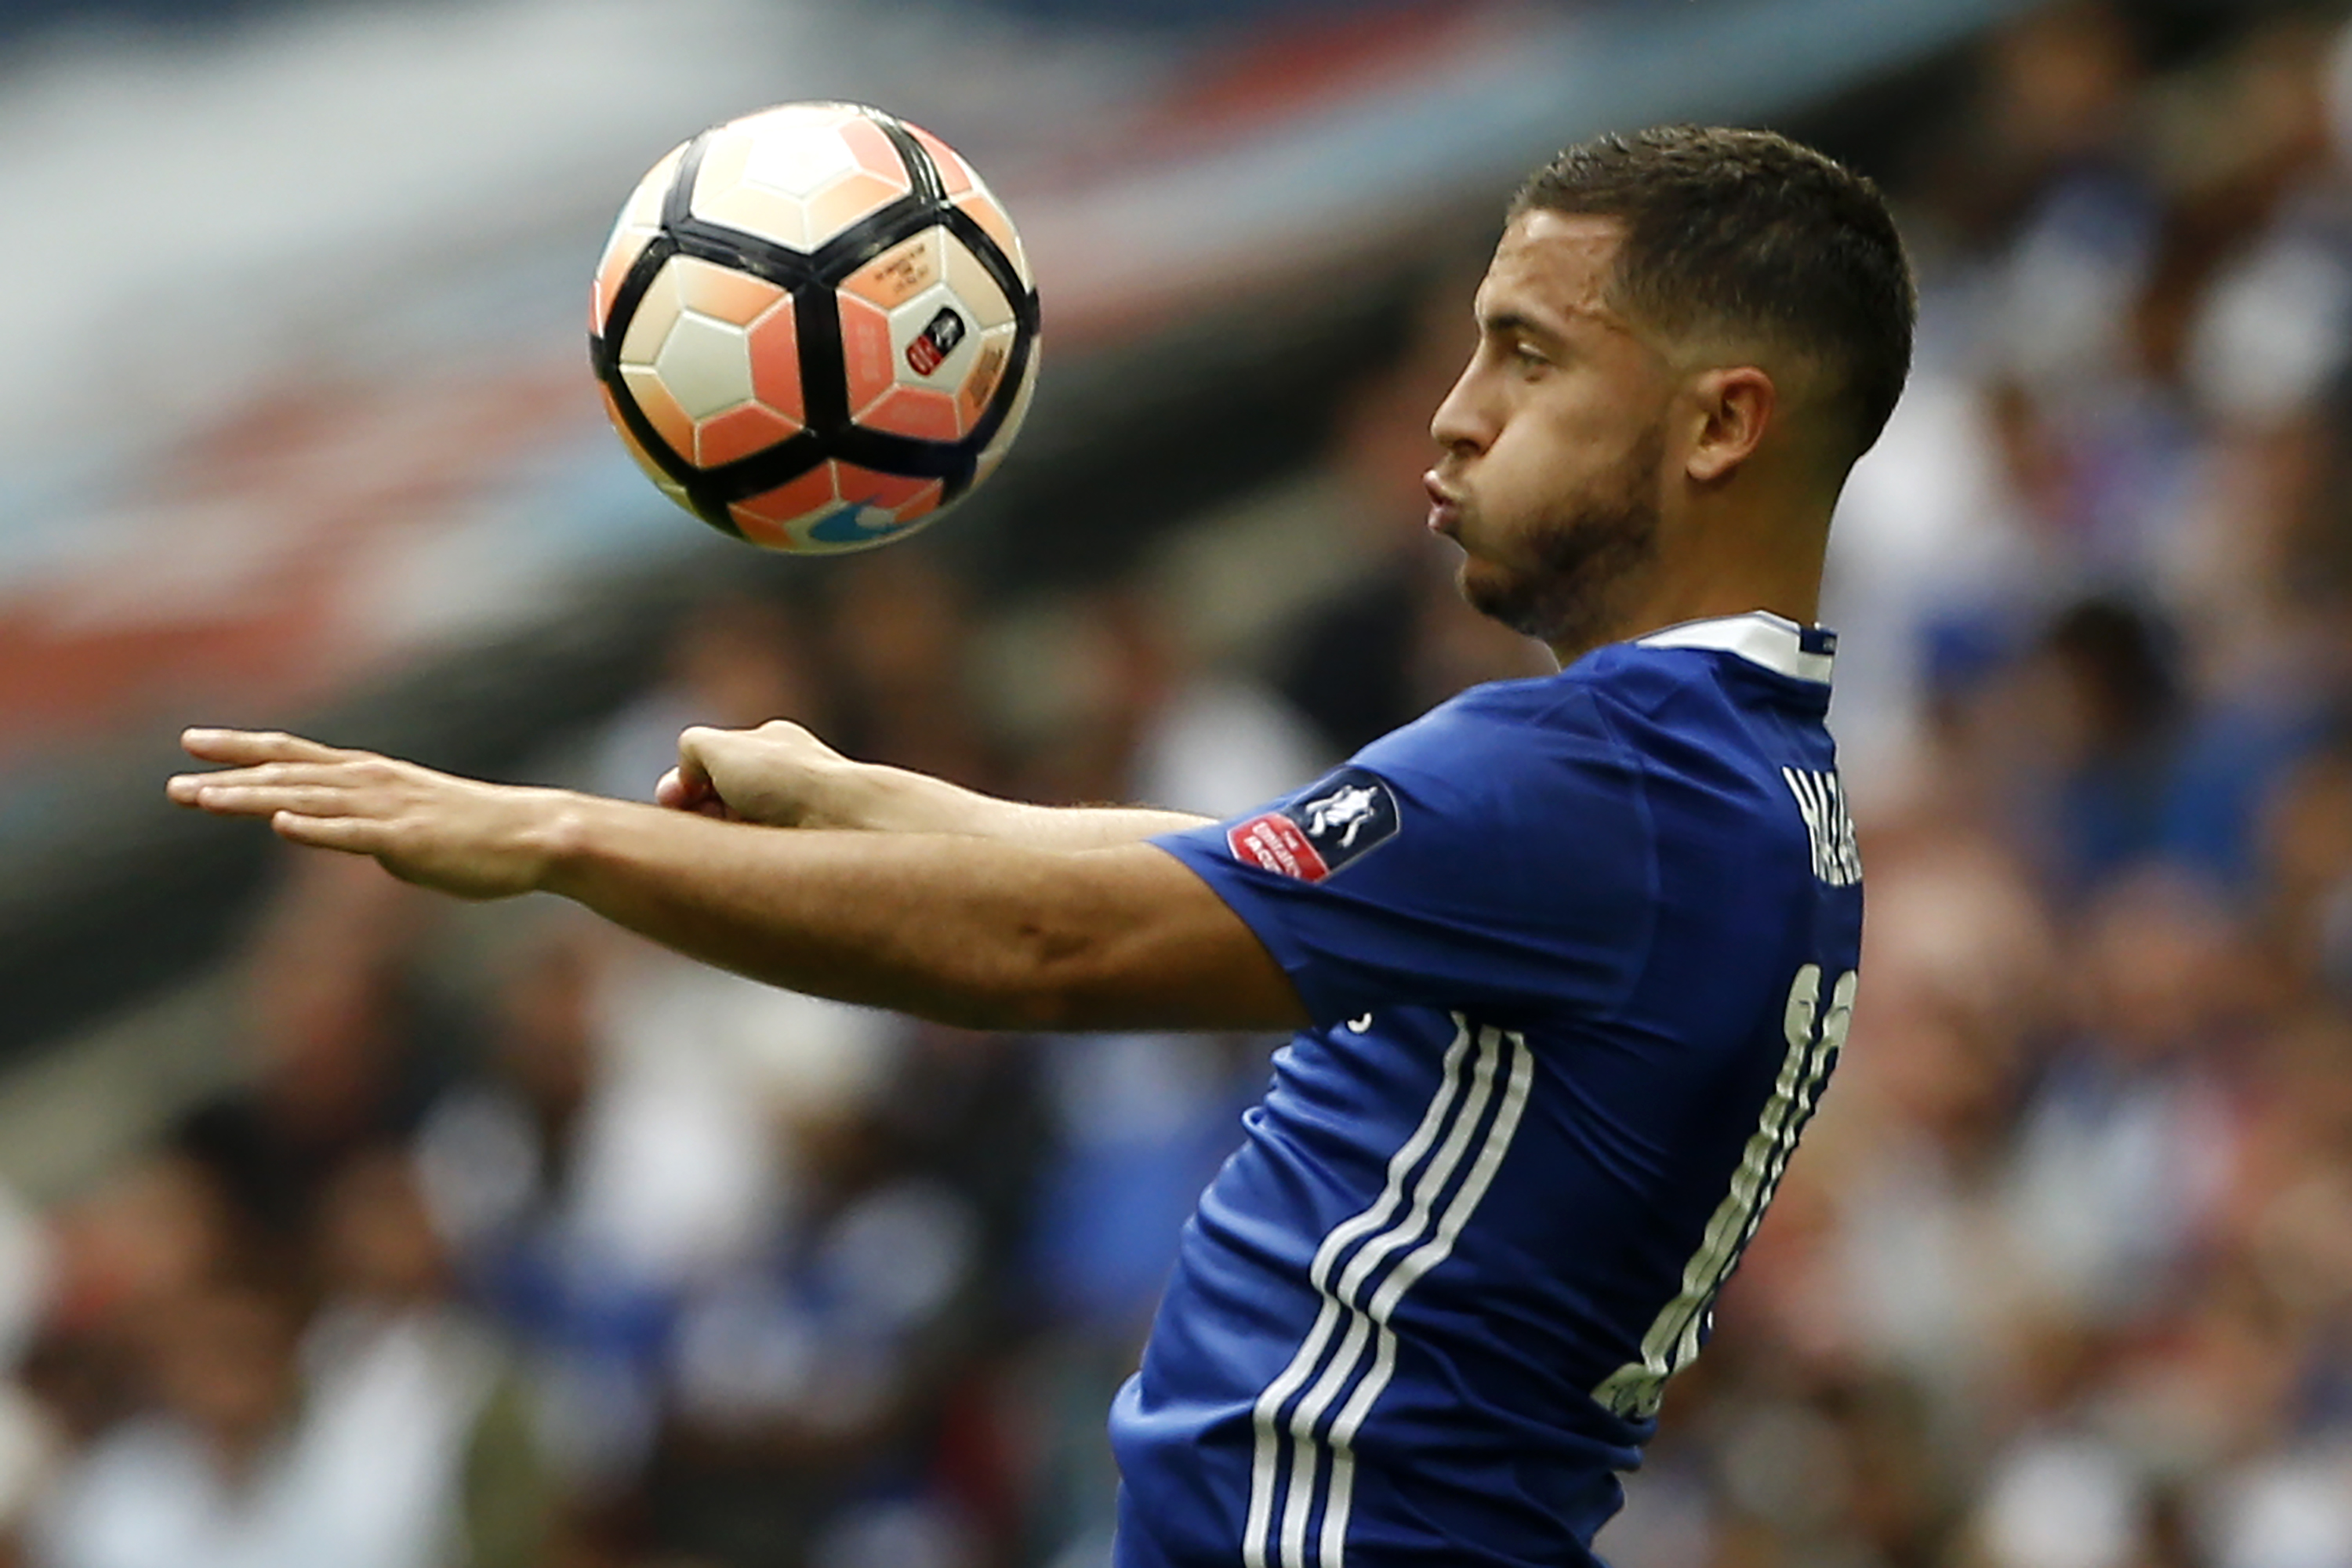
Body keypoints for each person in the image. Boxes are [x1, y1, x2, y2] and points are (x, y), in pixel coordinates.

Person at [169, 124, 1914, 1568]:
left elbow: (1045, 949)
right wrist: (858, 794)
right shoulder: (1725, 781)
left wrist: (557, 841)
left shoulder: (1593, 776)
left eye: (1527, 354)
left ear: (1720, 423)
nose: (1454, 412)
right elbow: (1205, 861)